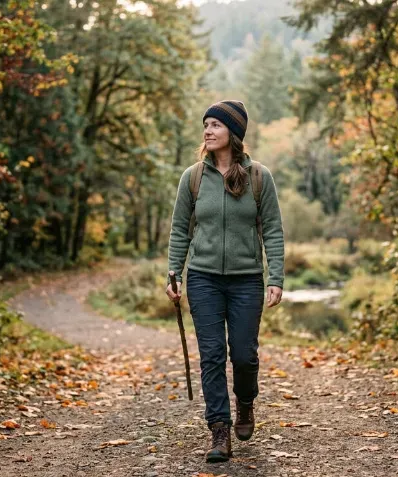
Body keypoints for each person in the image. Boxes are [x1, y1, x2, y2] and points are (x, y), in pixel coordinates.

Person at [165, 100, 285, 463]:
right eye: (206, 124)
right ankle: (219, 430)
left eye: (216, 124)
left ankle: (246, 402)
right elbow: (180, 230)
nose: (208, 130)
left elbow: (274, 232)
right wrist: (175, 273)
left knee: (245, 355)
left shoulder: (258, 177)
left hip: (247, 279)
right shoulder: (193, 177)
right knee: (213, 355)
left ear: (233, 132)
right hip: (203, 279)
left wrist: (274, 276)